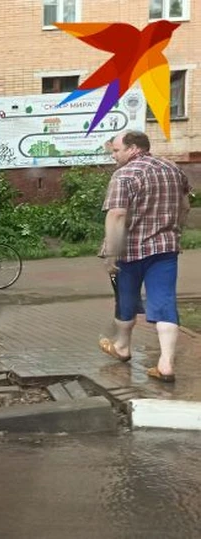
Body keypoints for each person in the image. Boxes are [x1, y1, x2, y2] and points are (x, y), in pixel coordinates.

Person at [98, 130, 191, 383]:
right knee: (164, 303)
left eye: (116, 151)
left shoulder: (124, 174)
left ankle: (122, 347)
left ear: (134, 148)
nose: (114, 156)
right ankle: (166, 364)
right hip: (165, 250)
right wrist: (175, 230)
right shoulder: (172, 169)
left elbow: (117, 215)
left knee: (126, 299)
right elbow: (185, 206)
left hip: (130, 251)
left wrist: (111, 253)